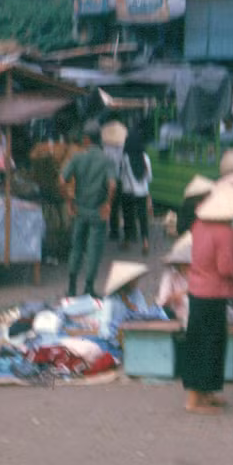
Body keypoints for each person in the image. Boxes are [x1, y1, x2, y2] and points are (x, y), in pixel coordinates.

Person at [183, 183, 233, 415]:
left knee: (201, 343)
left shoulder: (198, 224)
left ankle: (204, 393)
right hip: (213, 293)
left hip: (198, 290)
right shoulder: (225, 231)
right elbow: (226, 267)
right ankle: (195, 401)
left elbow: (208, 248)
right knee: (210, 345)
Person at [60, 121, 116, 298]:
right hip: (97, 212)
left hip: (79, 210)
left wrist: (69, 201)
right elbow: (112, 185)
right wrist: (108, 203)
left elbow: (62, 180)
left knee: (76, 247)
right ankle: (89, 289)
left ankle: (71, 288)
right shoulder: (107, 160)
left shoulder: (77, 158)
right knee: (94, 250)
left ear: (85, 139)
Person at [100, 261, 164, 340]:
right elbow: (105, 325)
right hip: (116, 336)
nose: (136, 283)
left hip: (135, 333)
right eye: (133, 280)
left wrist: (134, 309)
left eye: (136, 280)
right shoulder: (111, 299)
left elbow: (144, 313)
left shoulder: (136, 294)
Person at [119, 129, 153, 254]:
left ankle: (127, 240)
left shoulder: (125, 157)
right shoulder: (145, 157)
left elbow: (122, 175)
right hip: (142, 192)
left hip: (128, 191)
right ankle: (145, 242)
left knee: (128, 216)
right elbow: (149, 177)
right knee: (143, 217)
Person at [157, 233, 192, 326]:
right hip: (174, 315)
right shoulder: (169, 275)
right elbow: (162, 301)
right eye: (185, 264)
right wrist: (182, 293)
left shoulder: (201, 274)